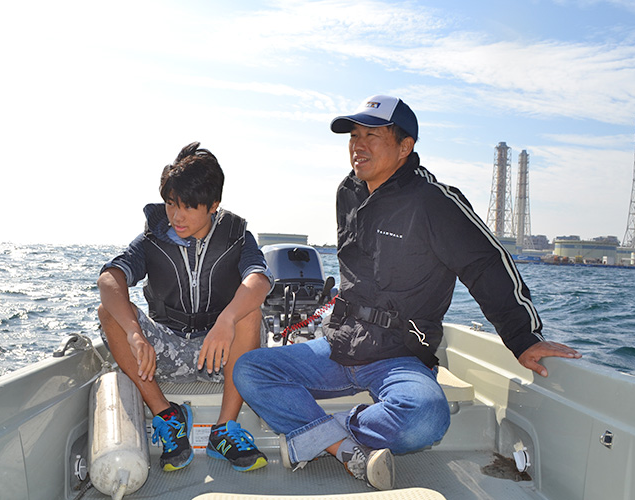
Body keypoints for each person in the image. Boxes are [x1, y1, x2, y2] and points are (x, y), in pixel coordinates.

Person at [233, 95, 581, 490]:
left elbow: (486, 265)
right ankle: (343, 449)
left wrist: (523, 338)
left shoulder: (433, 202)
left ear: (405, 146)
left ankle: (327, 435)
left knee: (426, 419)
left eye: (372, 135)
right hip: (340, 344)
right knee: (250, 369)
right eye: (354, 135)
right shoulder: (348, 192)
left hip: (399, 355)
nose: (357, 144)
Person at [97, 142, 272, 473]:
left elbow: (259, 281)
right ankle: (167, 414)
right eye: (171, 204)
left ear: (213, 205)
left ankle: (224, 430)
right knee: (109, 313)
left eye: (189, 207)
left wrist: (227, 320)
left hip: (219, 353)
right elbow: (110, 278)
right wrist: (135, 333)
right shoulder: (152, 236)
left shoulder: (236, 236)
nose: (177, 216)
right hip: (165, 351)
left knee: (250, 312)